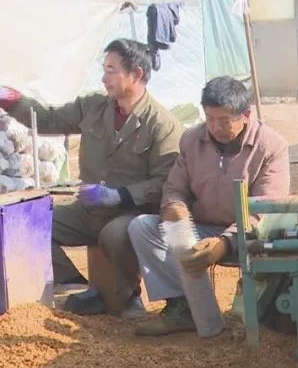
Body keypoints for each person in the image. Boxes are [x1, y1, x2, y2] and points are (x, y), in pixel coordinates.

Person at [0, 39, 182, 317]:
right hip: (88, 210)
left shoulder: (162, 124)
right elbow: (49, 119)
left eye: (112, 70)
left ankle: (127, 296)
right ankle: (75, 286)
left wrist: (119, 195)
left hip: (130, 212)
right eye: (104, 68)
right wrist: (11, 99)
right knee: (26, 225)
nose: (103, 77)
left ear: (136, 74)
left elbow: (165, 181)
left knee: (116, 234)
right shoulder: (94, 106)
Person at [127, 76, 290, 336]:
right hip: (201, 232)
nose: (215, 127)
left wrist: (225, 243)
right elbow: (174, 190)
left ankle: (263, 310)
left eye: (224, 120)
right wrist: (176, 214)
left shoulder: (271, 146)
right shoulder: (191, 140)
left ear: (246, 114)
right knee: (142, 227)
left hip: (251, 238)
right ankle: (183, 306)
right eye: (209, 118)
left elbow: (266, 210)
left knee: (274, 244)